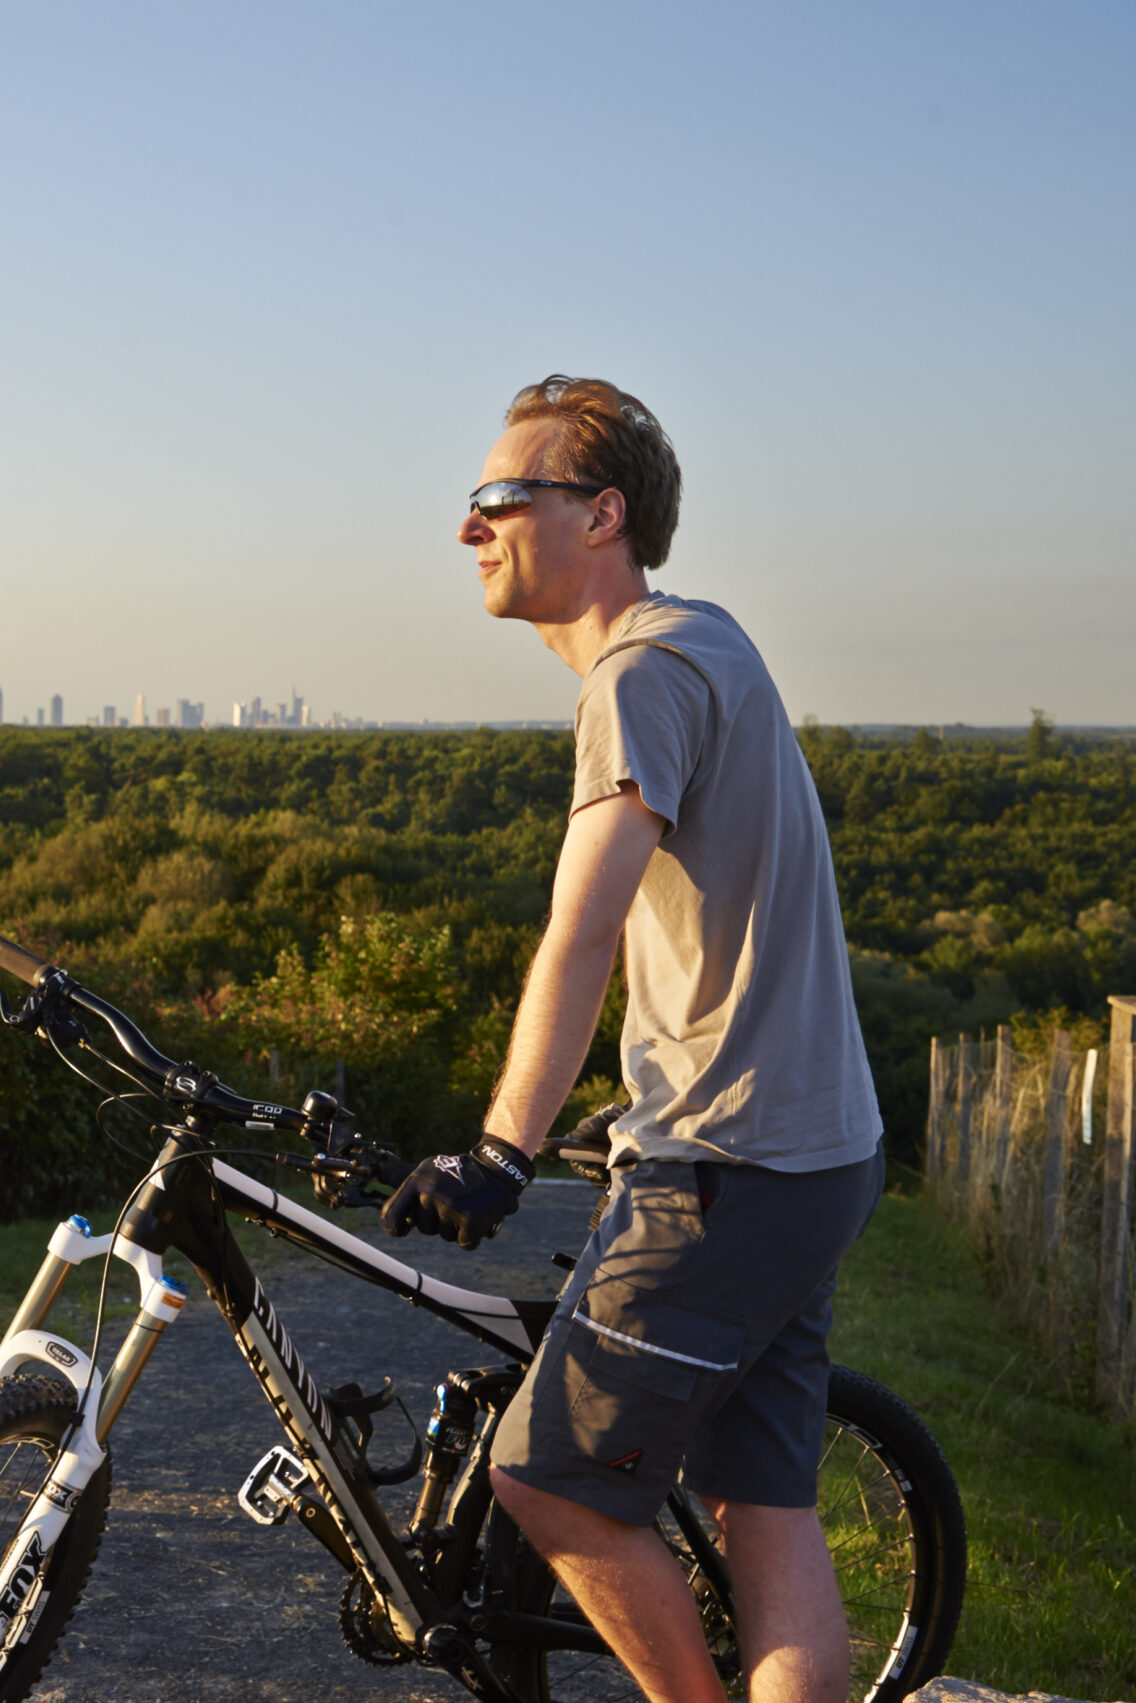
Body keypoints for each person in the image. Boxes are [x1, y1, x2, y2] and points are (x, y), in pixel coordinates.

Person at [379, 375, 885, 1703]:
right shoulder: (708, 639)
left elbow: (582, 929)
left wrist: (502, 1147)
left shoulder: (639, 672)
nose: (470, 526)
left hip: (723, 1166)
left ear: (601, 515)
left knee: (549, 1485)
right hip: (812, 1154)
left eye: (500, 497)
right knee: (760, 1511)